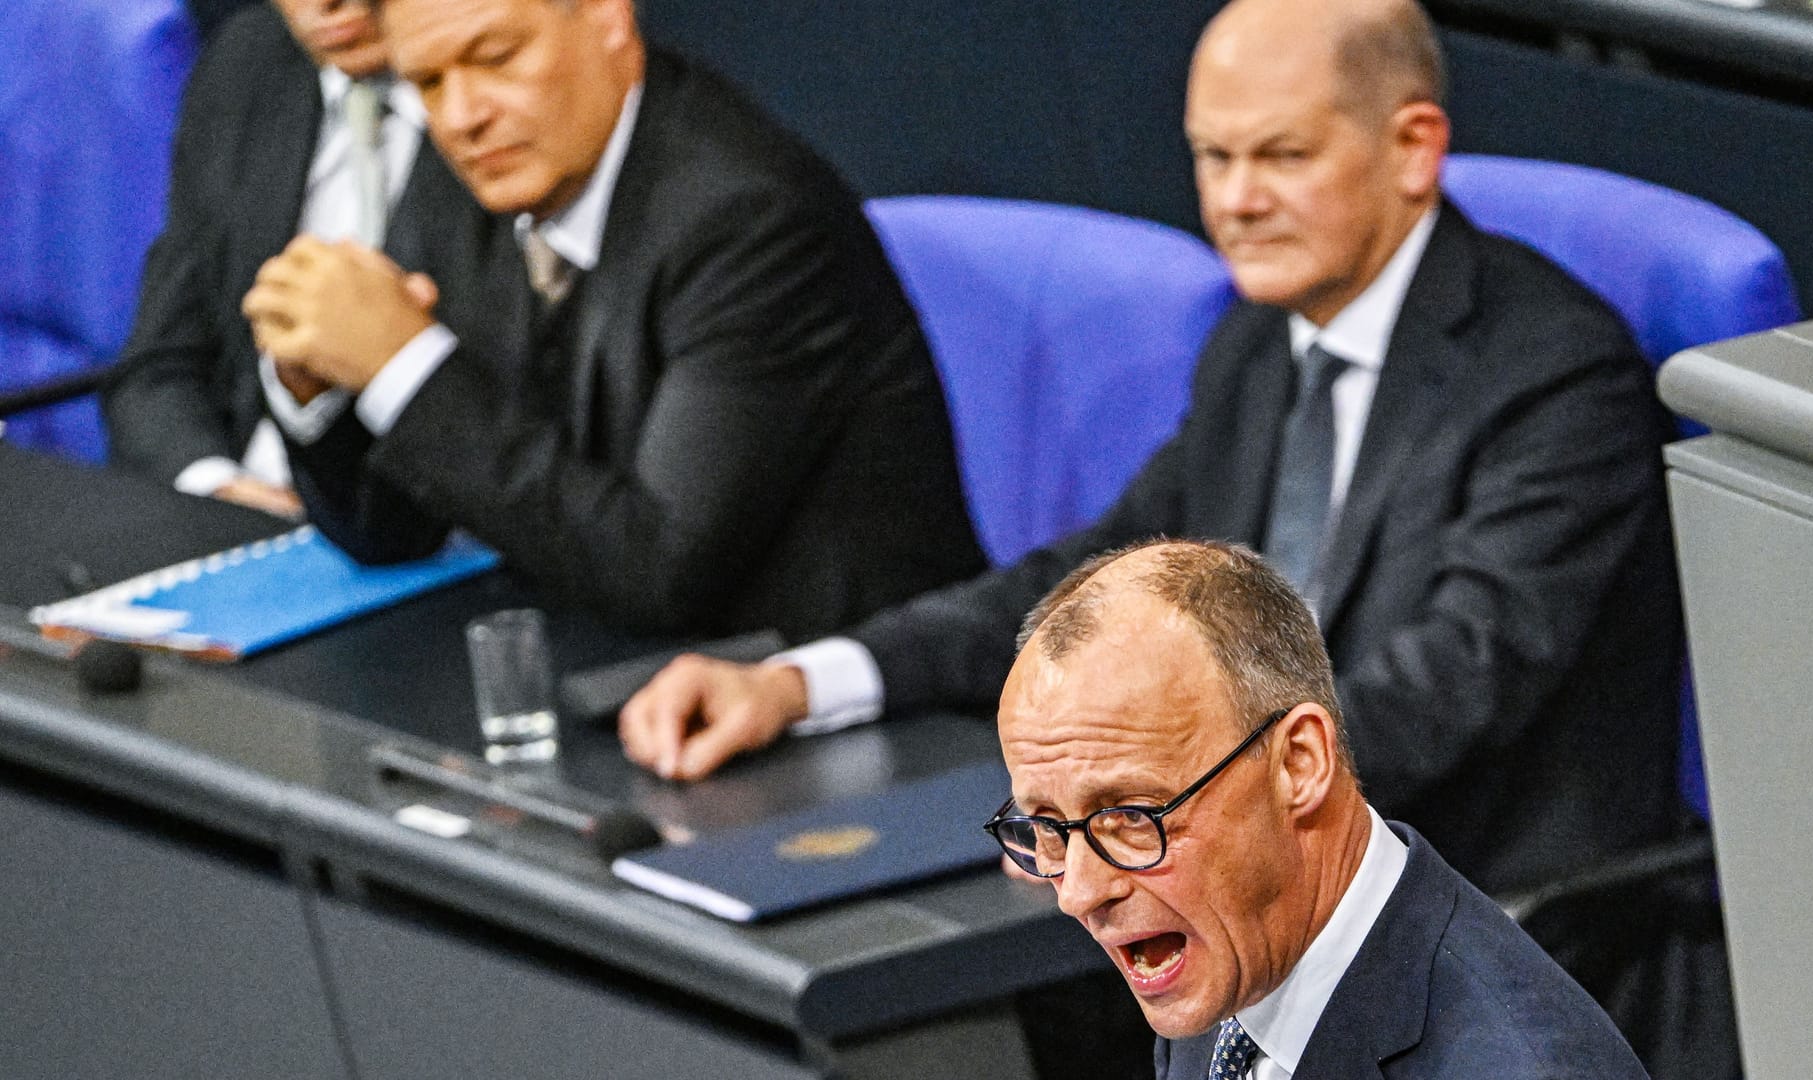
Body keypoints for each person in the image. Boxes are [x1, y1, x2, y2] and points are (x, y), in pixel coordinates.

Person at [621, 0, 1680, 900]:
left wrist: (1150, 819)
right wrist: (806, 683)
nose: (1235, 202)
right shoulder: (1260, 345)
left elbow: (1449, 685)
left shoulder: (1556, 373)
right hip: (1250, 880)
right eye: (1213, 157)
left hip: (1480, 905)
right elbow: (1103, 583)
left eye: (1282, 156)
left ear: (1413, 147)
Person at [237, 0, 984, 641]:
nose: (463, 115)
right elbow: (392, 531)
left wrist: (402, 368)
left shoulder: (750, 218)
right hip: (603, 670)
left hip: (828, 701)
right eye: (428, 81)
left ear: (606, 17)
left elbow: (656, 570)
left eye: (497, 56)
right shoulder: (469, 174)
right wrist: (326, 387)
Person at [990, 539, 1649, 1079]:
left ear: (1298, 764)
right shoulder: (1230, 964)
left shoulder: (1518, 1067)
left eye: (1132, 815)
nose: (1079, 891)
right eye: (1047, 826)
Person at [105, 0, 495, 519]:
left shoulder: (505, 107)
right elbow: (157, 364)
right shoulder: (248, 62)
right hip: (240, 512)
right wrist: (216, 487)